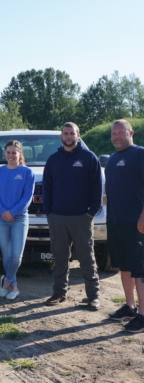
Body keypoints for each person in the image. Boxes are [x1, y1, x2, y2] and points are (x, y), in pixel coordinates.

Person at [42, 122, 102, 309]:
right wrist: (49, 212)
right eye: (65, 133)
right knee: (60, 257)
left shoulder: (89, 157)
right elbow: (47, 188)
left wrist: (91, 212)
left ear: (78, 135)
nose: (68, 136)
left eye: (72, 133)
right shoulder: (53, 159)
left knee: (86, 257)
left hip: (81, 217)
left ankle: (93, 296)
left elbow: (97, 187)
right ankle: (59, 293)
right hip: (57, 217)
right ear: (61, 136)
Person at [105, 119, 144, 333]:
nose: (117, 136)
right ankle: (130, 306)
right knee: (125, 266)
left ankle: (143, 315)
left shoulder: (139, 154)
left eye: (121, 132)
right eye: (114, 133)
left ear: (131, 133)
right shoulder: (112, 158)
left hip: (136, 222)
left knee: (140, 268)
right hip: (116, 222)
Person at [0, 140, 35, 300]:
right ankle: (14, 286)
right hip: (1, 219)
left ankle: (7, 281)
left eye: (14, 153)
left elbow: (27, 197)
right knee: (7, 255)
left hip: (20, 219)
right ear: (5, 154)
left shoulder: (27, 173)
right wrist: (3, 212)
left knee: (16, 255)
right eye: (8, 153)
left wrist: (13, 212)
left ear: (20, 154)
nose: (11, 156)